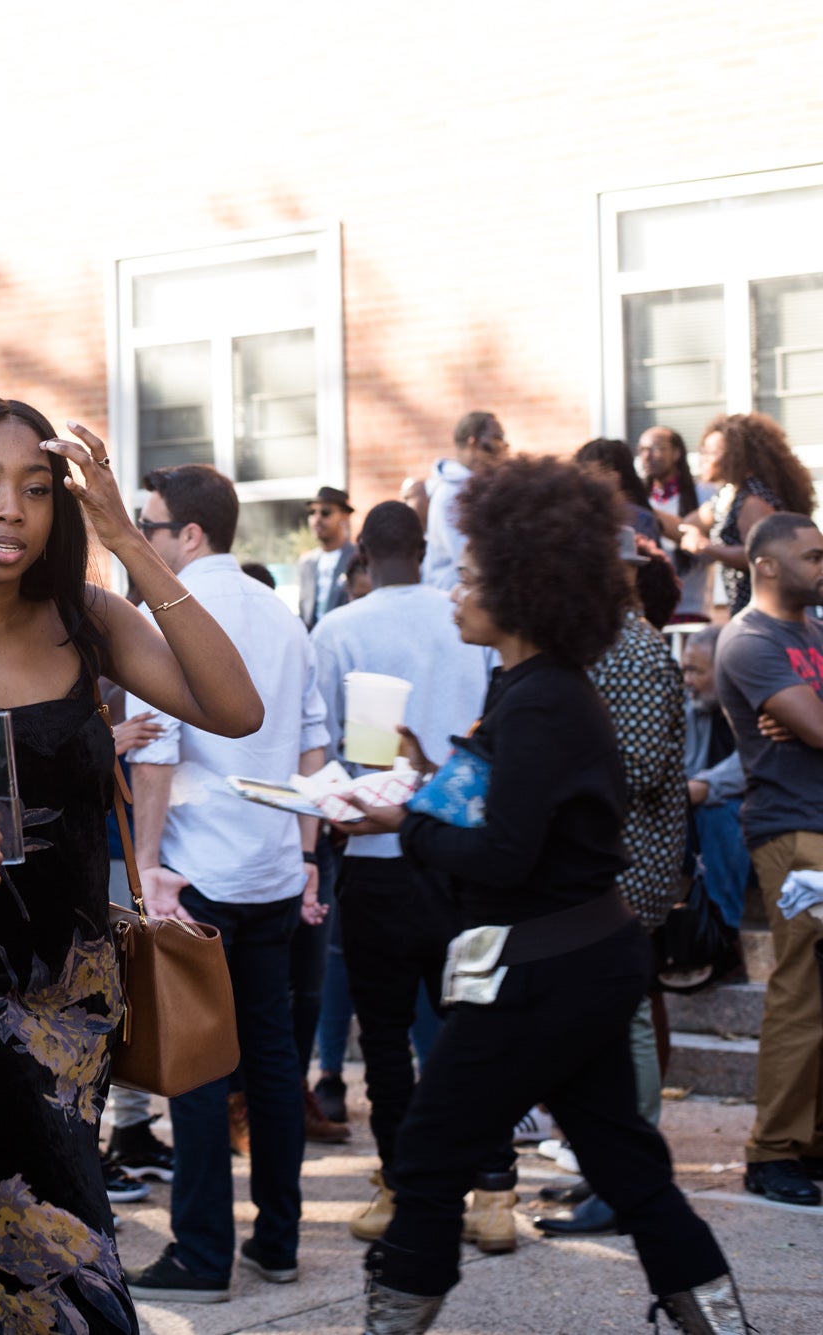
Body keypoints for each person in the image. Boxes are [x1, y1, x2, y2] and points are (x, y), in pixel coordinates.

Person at [0, 401, 257, 1328]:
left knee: (17, 1258)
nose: (10, 509)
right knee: (70, 1253)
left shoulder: (86, 620)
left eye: (37, 490)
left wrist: (128, 539)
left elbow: (235, 706)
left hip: (80, 990)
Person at [349, 457, 741, 1335]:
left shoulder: (542, 702)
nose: (454, 591)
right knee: (630, 1166)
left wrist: (407, 819)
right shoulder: (531, 691)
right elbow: (504, 808)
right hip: (581, 959)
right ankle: (722, 1322)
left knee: (428, 1152)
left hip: (543, 971)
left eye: (473, 579)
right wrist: (421, 777)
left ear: (523, 593)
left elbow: (499, 853)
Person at [115, 463, 324, 1304]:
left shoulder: (159, 616)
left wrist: (147, 865)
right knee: (273, 1063)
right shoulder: (284, 613)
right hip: (273, 866)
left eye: (151, 527)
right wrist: (307, 853)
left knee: (198, 1065)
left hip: (196, 869)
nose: (142, 541)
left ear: (188, 535)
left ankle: (203, 1253)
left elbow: (158, 750)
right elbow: (314, 743)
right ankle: (277, 1239)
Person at [310, 500, 495, 1245]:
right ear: (425, 549)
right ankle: (493, 1192)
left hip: (379, 852)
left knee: (384, 1034)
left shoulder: (338, 629)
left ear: (361, 551)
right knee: (470, 1027)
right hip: (463, 852)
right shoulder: (466, 620)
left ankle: (401, 1182)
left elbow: (320, 743)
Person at [535, 527, 690, 1236]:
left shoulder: (629, 646)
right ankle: (611, 1172)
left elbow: (642, 769)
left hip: (625, 862)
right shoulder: (616, 642)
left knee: (622, 1019)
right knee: (603, 1022)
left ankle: (630, 1182)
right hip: (614, 859)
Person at [713, 511, 823, 1209]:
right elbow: (817, 728)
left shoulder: (814, 632)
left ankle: (810, 1139)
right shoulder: (749, 640)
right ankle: (775, 1149)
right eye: (813, 556)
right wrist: (810, 716)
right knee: (800, 990)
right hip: (793, 834)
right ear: (767, 565)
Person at [681, 412, 816, 615]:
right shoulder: (729, 492)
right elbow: (690, 522)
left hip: (769, 612)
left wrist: (705, 547)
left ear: (736, 455)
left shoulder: (752, 499)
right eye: (703, 451)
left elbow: (758, 554)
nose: (703, 459)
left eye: (711, 453)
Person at [681, 626, 748, 930]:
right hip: (699, 832)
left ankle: (723, 928)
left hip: (750, 825)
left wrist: (706, 786)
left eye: (696, 671)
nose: (687, 681)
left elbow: (755, 760)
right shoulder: (692, 709)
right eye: (685, 670)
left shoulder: (754, 707)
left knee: (719, 810)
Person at [405, 411, 506, 591]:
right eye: (497, 437)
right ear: (473, 442)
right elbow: (469, 558)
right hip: (450, 601)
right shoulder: (450, 493)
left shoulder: (481, 487)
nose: (505, 445)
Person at [639, 425, 716, 621]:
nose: (647, 456)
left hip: (692, 610)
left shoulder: (705, 494)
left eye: (655, 448)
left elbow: (710, 550)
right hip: (650, 614)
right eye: (642, 450)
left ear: (676, 453)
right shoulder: (644, 498)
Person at [297, 485, 355, 628]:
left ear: (344, 516)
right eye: (312, 512)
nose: (317, 518)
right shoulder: (306, 562)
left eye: (325, 512)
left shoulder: (357, 558)